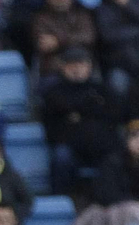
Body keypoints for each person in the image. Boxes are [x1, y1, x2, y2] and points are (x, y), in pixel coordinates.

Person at [40, 47, 115, 195]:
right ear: (63, 67)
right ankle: (60, 201)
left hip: (99, 146)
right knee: (62, 157)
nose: (77, 69)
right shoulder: (53, 92)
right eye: (72, 65)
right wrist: (89, 108)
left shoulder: (101, 90)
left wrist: (76, 114)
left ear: (89, 67)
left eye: (81, 64)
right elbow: (52, 127)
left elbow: (110, 117)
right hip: (69, 146)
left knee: (114, 157)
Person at [30, 0, 94, 77]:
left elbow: (87, 37)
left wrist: (58, 41)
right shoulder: (40, 19)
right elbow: (45, 45)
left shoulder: (82, 15)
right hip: (54, 68)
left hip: (82, 66)